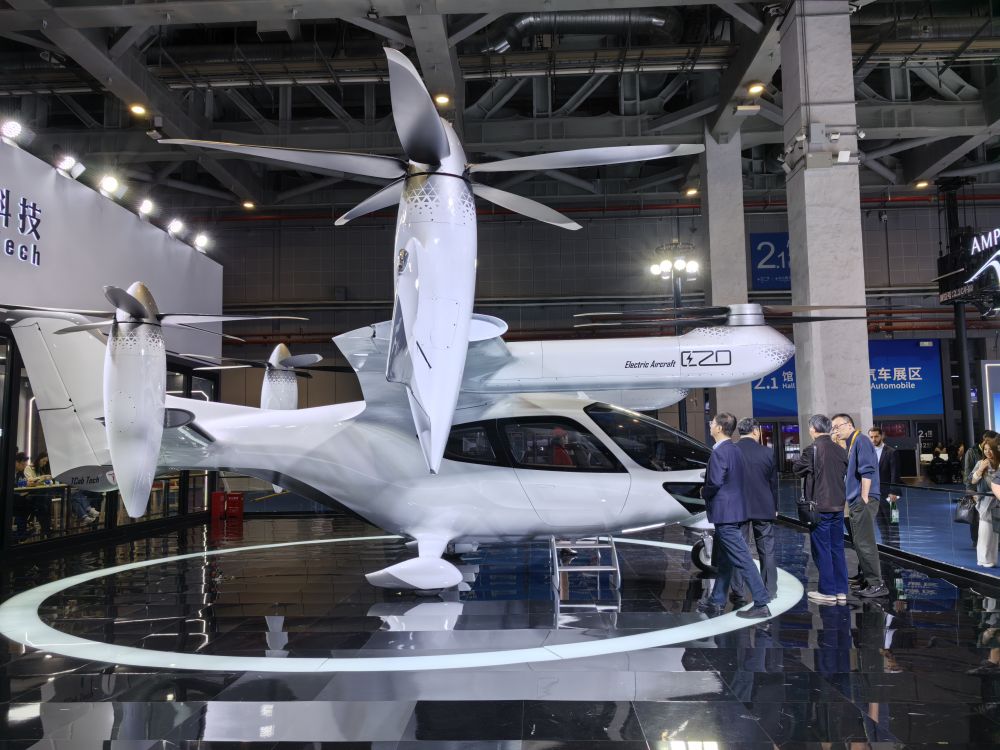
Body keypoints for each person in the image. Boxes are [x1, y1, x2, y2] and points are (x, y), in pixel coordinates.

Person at [700, 412, 771, 619]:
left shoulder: (720, 452)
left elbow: (715, 482)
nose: (710, 425)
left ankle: (761, 603)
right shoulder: (735, 450)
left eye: (712, 423)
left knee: (742, 559)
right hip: (736, 512)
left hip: (725, 514)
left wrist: (703, 491)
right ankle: (717, 600)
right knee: (725, 560)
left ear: (719, 428)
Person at [793, 415, 850, 604]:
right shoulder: (840, 449)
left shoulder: (812, 449)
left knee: (822, 549)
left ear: (813, 429)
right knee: (837, 548)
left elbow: (797, 469)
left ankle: (827, 591)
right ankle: (841, 591)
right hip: (838, 505)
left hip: (819, 507)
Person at [831, 413, 887, 598]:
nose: (835, 431)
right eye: (833, 428)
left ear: (849, 425)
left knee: (865, 543)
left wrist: (863, 497)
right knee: (859, 542)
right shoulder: (852, 443)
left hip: (862, 500)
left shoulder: (861, 440)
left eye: (837, 426)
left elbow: (867, 470)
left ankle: (877, 584)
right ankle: (867, 579)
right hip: (855, 500)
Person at [734, 417, 779, 599]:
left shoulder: (732, 451)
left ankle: (738, 590)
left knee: (739, 548)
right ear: (755, 431)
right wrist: (775, 506)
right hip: (764, 505)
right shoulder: (767, 452)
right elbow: (773, 482)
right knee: (767, 549)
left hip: (738, 507)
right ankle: (770, 589)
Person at [971, 437, 1000, 567]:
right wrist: (980, 469)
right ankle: (983, 559)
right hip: (985, 501)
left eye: (990, 449)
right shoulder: (980, 463)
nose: (988, 452)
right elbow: (972, 480)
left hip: (997, 500)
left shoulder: (999, 464)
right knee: (985, 531)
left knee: (994, 533)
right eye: (985, 449)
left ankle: (992, 559)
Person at [869, 427, 901, 545]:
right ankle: (886, 550)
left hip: (890, 495)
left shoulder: (892, 452)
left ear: (882, 436)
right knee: (881, 525)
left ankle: (896, 551)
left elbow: (895, 473)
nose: (874, 439)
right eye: (871, 437)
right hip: (875, 495)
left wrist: (893, 492)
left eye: (876, 436)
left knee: (893, 523)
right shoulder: (869, 452)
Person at [964, 431, 997, 544]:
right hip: (979, 493)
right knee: (976, 518)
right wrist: (971, 492)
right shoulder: (972, 452)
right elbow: (969, 475)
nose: (988, 451)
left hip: (994, 496)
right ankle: (976, 540)